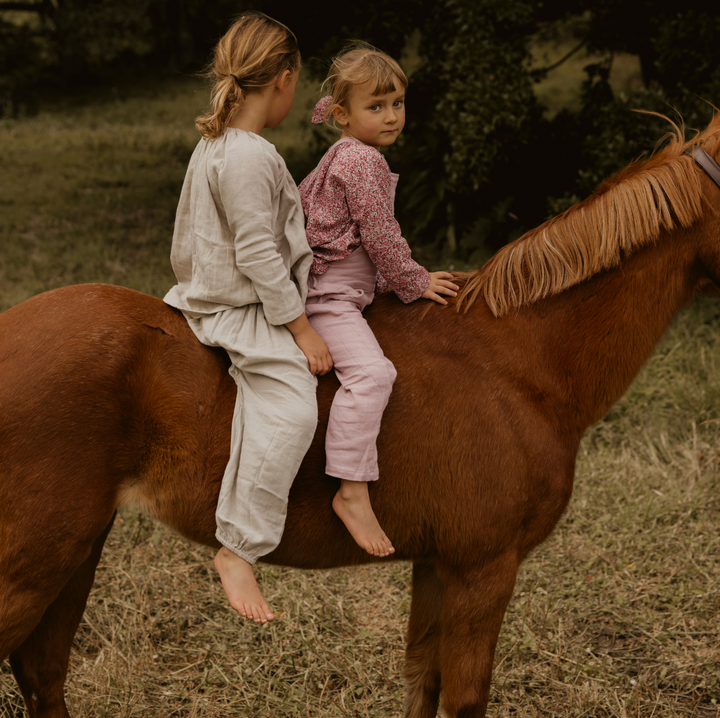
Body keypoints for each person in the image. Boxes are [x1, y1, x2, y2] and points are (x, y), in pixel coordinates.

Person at [164, 12, 332, 624]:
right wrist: (301, 326)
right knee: (292, 405)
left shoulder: (220, 144)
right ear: (284, 80)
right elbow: (258, 253)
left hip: (220, 295)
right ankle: (238, 546)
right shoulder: (248, 157)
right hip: (239, 308)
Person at [299, 44, 459, 559]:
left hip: (344, 285)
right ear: (342, 115)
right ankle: (351, 489)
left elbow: (358, 240)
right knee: (374, 375)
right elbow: (380, 235)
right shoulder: (362, 159)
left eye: (398, 103)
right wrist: (412, 281)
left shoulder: (345, 154)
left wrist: (391, 283)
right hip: (327, 296)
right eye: (376, 106)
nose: (391, 116)